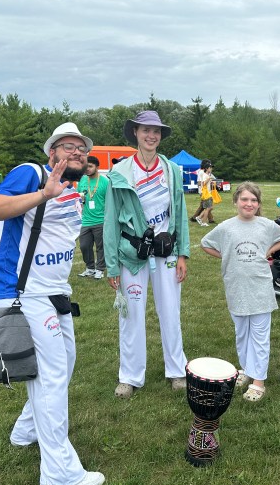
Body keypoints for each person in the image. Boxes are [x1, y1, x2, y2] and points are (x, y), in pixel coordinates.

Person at [0, 122, 104, 485]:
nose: (77, 153)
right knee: (50, 376)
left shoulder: (74, 186)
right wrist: (43, 194)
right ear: (52, 152)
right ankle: (59, 473)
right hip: (22, 291)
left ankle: (26, 430)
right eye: (68, 147)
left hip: (54, 291)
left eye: (81, 148)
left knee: (65, 362)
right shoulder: (31, 173)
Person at [104, 110, 191, 399]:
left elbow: (180, 212)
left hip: (166, 251)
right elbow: (110, 220)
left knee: (171, 312)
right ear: (136, 133)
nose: (151, 136)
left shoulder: (172, 170)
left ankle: (177, 370)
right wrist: (112, 266)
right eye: (146, 130)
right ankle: (130, 376)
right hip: (132, 254)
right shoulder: (119, 172)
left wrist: (183, 253)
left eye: (156, 131)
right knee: (131, 315)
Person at [201, 182, 280, 402]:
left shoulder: (266, 225)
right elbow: (205, 243)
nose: (249, 204)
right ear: (236, 202)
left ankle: (258, 381)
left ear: (258, 204)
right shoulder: (226, 227)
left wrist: (269, 250)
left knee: (259, 335)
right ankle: (247, 369)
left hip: (260, 288)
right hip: (236, 288)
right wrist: (226, 255)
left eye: (253, 200)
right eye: (244, 199)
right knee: (241, 333)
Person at [77, 156, 108, 279]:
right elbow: (77, 197)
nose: (87, 169)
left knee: (101, 247)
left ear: (97, 167)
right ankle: (90, 268)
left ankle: (100, 269)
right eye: (85, 166)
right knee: (84, 246)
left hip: (101, 220)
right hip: (86, 220)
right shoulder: (82, 180)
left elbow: (110, 201)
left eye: (90, 166)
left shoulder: (105, 182)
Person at [190, 160, 215, 224]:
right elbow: (199, 182)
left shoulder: (205, 172)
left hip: (205, 191)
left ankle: (209, 219)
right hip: (203, 192)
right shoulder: (201, 172)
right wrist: (201, 189)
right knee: (206, 206)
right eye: (209, 164)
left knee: (205, 206)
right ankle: (196, 218)